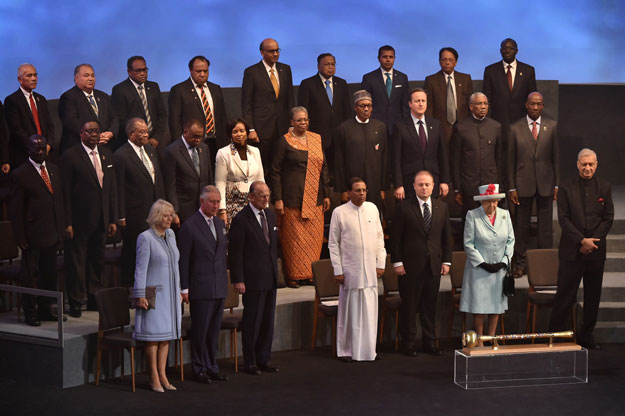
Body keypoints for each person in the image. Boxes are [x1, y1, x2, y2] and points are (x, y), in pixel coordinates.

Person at [549, 149, 613, 350]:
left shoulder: (604, 186)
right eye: (584, 164)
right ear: (577, 165)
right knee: (565, 296)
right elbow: (564, 219)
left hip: (596, 250)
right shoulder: (566, 187)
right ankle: (556, 336)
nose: (587, 168)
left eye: (591, 164)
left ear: (596, 164)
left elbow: (608, 218)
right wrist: (581, 241)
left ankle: (587, 336)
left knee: (593, 297)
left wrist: (591, 241)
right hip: (571, 251)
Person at [59, 120, 118, 317]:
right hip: (78, 221)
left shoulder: (106, 154)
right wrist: (67, 222)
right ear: (81, 133)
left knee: (96, 261)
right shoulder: (70, 156)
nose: (94, 134)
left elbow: (111, 189)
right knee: (76, 263)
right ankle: (75, 301)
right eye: (89, 131)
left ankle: (94, 298)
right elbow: (64, 193)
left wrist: (112, 218)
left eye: (96, 130)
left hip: (101, 219)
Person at [391, 171, 452, 356]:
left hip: (433, 265)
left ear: (433, 186)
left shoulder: (441, 207)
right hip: (409, 266)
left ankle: (430, 342)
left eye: (427, 184)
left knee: (429, 306)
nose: (424, 188)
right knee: (409, 307)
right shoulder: (404, 208)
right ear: (414, 186)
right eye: (420, 184)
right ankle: (408, 344)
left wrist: (447, 261)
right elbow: (395, 239)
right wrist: (397, 263)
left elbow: (446, 237)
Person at [269, 106, 331, 288]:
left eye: (305, 119)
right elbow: (274, 171)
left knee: (313, 238)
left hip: (316, 199)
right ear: (291, 122)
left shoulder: (316, 139)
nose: (303, 123)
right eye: (299, 120)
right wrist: (278, 198)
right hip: (292, 198)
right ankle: (294, 276)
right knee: (294, 240)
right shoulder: (284, 141)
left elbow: (324, 167)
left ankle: (311, 274)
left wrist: (326, 193)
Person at [9, 135, 65, 326]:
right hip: (32, 234)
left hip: (52, 232)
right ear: (29, 151)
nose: (41, 152)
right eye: (37, 150)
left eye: (43, 149)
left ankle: (46, 308)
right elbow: (16, 210)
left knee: (49, 274)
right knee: (30, 275)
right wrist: (20, 236)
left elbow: (58, 202)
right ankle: (30, 311)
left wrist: (62, 228)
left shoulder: (55, 170)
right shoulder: (20, 174)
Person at [328, 178, 386, 362]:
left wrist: (380, 262)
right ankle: (347, 351)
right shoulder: (339, 212)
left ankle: (369, 351)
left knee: (370, 312)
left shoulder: (372, 208)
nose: (361, 193)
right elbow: (333, 244)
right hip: (350, 270)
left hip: (370, 270)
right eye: (357, 190)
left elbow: (379, 238)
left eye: (364, 190)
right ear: (349, 193)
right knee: (349, 313)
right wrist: (337, 268)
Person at [229, 181, 280, 375]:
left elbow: (272, 247)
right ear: (251, 197)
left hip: (270, 277)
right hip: (252, 279)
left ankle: (264, 358)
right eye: (262, 195)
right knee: (253, 321)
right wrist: (238, 279)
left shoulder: (270, 214)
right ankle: (249, 361)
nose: (266, 199)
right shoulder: (242, 219)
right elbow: (235, 253)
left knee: (267, 322)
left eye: (267, 194)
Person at [179, 186, 229, 383]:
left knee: (213, 331)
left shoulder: (219, 224)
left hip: (218, 286)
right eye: (212, 202)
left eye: (218, 202)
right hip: (200, 287)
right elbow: (184, 261)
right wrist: (184, 288)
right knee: (200, 331)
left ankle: (211, 366)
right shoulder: (190, 226)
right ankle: (198, 367)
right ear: (202, 202)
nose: (216, 206)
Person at [507, 92, 559, 277]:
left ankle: (545, 263)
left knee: (545, 227)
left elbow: (556, 158)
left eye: (539, 104)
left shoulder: (552, 126)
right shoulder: (515, 128)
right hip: (522, 184)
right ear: (526, 105)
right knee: (521, 226)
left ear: (543, 106)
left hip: (545, 183)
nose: (535, 107)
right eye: (532, 104)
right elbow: (510, 161)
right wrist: (512, 187)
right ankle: (520, 264)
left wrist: (557, 185)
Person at [132, 199, 181, 392]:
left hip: (170, 294)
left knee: (165, 336)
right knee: (153, 337)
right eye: (166, 215)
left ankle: (163, 374)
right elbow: (140, 269)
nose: (170, 219)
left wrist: (180, 289)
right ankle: (153, 376)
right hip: (153, 295)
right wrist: (140, 294)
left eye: (171, 215)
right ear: (157, 217)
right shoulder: (145, 238)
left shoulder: (170, 235)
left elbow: (175, 264)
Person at [459, 184, 515, 346]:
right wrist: (482, 263)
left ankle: (492, 338)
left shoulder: (505, 215)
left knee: (495, 305)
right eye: (487, 202)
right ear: (481, 202)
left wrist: (504, 261)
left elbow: (511, 240)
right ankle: (480, 340)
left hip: (499, 267)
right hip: (479, 269)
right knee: (479, 306)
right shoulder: (472, 215)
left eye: (494, 202)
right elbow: (468, 243)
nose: (491, 206)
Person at [114, 118, 166, 287]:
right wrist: (120, 215)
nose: (146, 134)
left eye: (146, 131)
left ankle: (151, 287)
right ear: (131, 134)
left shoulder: (151, 150)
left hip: (155, 212)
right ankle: (130, 288)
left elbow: (158, 181)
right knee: (134, 252)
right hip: (134, 214)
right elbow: (119, 188)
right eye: (142, 132)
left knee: (154, 252)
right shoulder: (121, 155)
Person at [241, 38, 295, 171]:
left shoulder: (285, 69)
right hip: (262, 128)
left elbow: (290, 99)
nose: (275, 54)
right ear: (262, 52)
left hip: (282, 127)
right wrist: (251, 129)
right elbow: (246, 103)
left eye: (277, 50)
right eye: (271, 51)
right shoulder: (252, 72)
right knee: (264, 166)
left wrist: (291, 124)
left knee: (283, 165)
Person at [334, 90, 388, 213]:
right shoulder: (343, 128)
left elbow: (384, 158)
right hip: (352, 185)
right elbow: (339, 161)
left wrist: (383, 187)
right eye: (362, 106)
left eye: (369, 106)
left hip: (374, 185)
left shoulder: (380, 127)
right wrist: (343, 189)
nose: (366, 109)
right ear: (355, 107)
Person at [168, 56, 227, 167]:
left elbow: (222, 117)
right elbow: (174, 120)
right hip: (193, 144)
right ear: (190, 70)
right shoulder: (179, 90)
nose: (202, 74)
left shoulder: (216, 89)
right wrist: (180, 146)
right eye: (198, 71)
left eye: (205, 71)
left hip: (216, 143)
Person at [392, 88, 450, 201]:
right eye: (417, 101)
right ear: (410, 103)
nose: (421, 104)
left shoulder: (436, 124)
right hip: (409, 182)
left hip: (433, 182)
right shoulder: (400, 126)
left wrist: (444, 181)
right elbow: (396, 158)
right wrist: (398, 184)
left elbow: (443, 155)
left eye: (423, 101)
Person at [451, 92, 504, 213]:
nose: (483, 106)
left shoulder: (496, 127)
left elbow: (500, 158)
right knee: (470, 222)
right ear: (471, 107)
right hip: (469, 185)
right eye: (479, 104)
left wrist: (500, 184)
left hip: (490, 185)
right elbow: (455, 160)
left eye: (485, 103)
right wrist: (457, 188)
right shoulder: (460, 128)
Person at [297, 53, 352, 169]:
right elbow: (303, 111)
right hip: (317, 135)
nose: (331, 67)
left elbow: (347, 109)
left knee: (339, 168)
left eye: (333, 64)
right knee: (319, 169)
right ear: (318, 66)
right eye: (327, 64)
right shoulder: (307, 84)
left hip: (339, 134)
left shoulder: (342, 83)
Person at [111, 56, 168, 153]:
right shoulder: (120, 90)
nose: (142, 73)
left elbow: (162, 114)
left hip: (155, 142)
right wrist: (141, 137)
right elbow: (121, 120)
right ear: (129, 72)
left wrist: (156, 138)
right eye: (138, 71)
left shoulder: (154, 86)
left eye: (145, 70)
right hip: (133, 144)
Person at [4, 63, 56, 169]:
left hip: (44, 153)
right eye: (29, 75)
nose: (34, 78)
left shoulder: (41, 99)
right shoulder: (12, 100)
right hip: (24, 155)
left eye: (35, 75)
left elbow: (50, 126)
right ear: (20, 79)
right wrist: (35, 147)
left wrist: (48, 145)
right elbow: (16, 129)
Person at [215, 118, 265, 228]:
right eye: (235, 132)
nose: (239, 134)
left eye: (242, 131)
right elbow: (220, 183)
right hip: (233, 204)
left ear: (247, 133)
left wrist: (264, 203)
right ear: (230, 135)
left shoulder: (255, 151)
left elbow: (260, 180)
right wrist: (222, 211)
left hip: (253, 202)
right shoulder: (223, 153)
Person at [58, 64, 119, 153]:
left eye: (93, 75)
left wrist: (111, 133)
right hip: (79, 149)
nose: (91, 79)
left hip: (104, 147)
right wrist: (95, 136)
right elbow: (71, 122)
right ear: (76, 78)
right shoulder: (68, 97)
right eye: (86, 75)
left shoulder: (103, 96)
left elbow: (114, 117)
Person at [163, 119, 213, 224]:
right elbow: (170, 186)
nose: (197, 140)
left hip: (203, 206)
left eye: (200, 137)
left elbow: (209, 177)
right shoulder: (172, 151)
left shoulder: (204, 148)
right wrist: (174, 211)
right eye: (194, 136)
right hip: (184, 209)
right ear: (185, 132)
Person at [483, 38, 537, 136]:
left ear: (516, 51)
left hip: (521, 123)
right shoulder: (490, 71)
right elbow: (487, 100)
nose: (507, 51)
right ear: (500, 51)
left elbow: (531, 99)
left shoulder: (528, 71)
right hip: (497, 123)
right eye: (504, 48)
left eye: (510, 48)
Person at [423, 47, 473, 145]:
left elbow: (470, 104)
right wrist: (431, 128)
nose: (447, 62)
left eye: (450, 60)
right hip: (440, 129)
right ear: (439, 61)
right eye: (444, 59)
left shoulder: (465, 79)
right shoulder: (431, 80)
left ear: (456, 62)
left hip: (463, 128)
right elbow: (428, 108)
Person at [361, 45, 410, 137]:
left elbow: (405, 104)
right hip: (375, 125)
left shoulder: (402, 78)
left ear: (394, 58)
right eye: (384, 57)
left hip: (397, 125)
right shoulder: (369, 78)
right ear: (379, 58)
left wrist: (406, 124)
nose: (388, 60)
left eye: (391, 57)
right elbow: (365, 104)